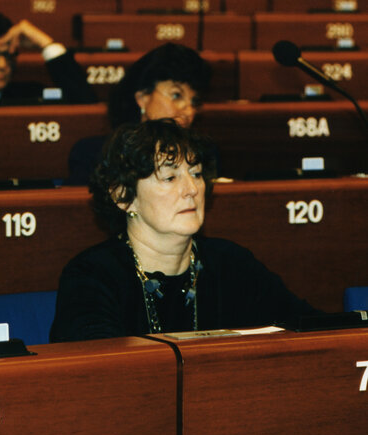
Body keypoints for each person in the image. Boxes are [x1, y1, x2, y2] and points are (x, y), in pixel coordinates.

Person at [50, 119, 317, 342]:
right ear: (123, 195)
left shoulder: (231, 263)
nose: (191, 189)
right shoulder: (92, 275)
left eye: (197, 173)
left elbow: (311, 326)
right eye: (170, 177)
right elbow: (96, 370)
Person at [67, 43, 212, 185]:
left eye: (194, 102)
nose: (189, 111)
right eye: (176, 95)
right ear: (142, 98)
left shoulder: (203, 155)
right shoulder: (95, 154)